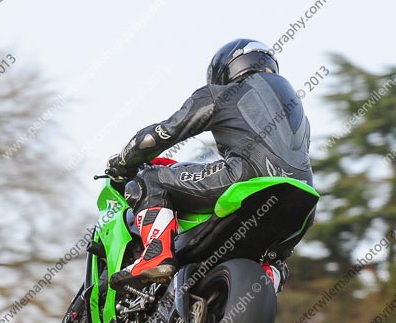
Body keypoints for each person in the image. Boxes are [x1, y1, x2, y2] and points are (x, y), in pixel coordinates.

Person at [106, 38, 313, 289]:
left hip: (245, 176)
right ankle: (268, 279)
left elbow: (159, 136)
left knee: (149, 180)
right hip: (304, 200)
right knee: (274, 260)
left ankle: (156, 254)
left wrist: (123, 162)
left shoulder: (225, 92)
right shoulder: (296, 110)